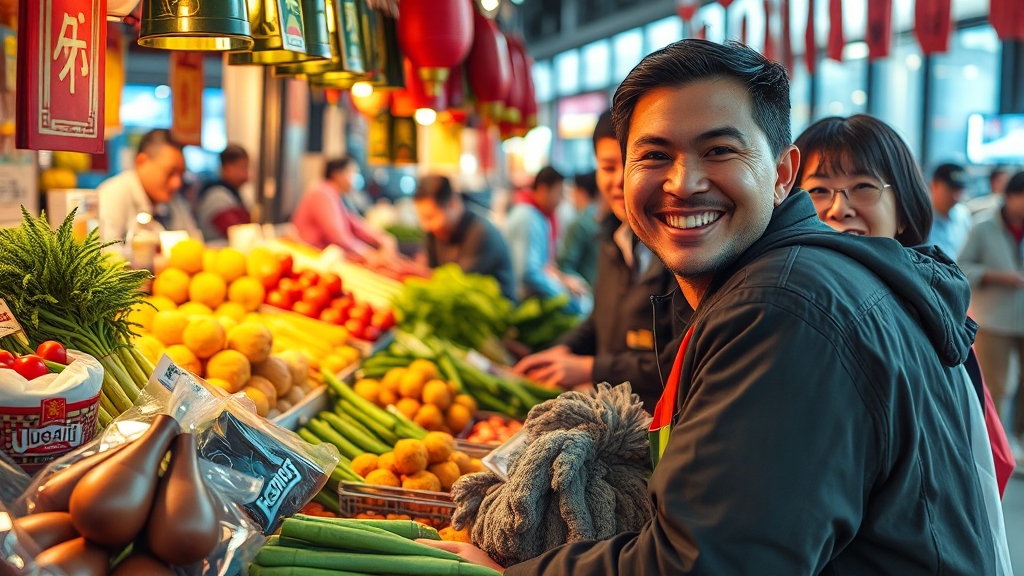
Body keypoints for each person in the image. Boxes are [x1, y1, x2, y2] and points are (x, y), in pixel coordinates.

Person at [424, 39, 998, 575]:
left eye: (719, 150)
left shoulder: (781, 308)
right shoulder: (774, 281)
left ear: (781, 174)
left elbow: (709, 561)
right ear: (620, 174)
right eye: (654, 155)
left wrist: (510, 571)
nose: (683, 182)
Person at [794, 115, 1014, 556]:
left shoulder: (922, 318)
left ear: (902, 211)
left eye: (863, 187)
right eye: (818, 190)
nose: (839, 208)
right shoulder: (794, 306)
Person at [513, 111, 691, 409]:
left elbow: (681, 360)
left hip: (660, 428)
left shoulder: (684, 249)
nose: (620, 180)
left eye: (636, 163)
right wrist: (563, 349)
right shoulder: (611, 239)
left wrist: (590, 368)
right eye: (608, 167)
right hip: (614, 418)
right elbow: (600, 320)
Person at [959, 172, 1024, 448]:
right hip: (993, 319)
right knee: (994, 388)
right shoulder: (983, 226)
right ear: (1009, 196)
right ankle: (992, 446)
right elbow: (961, 266)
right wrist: (996, 276)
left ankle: (1018, 440)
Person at [413, 174, 516, 302]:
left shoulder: (481, 233)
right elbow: (431, 273)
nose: (426, 225)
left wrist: (411, 272)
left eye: (431, 217)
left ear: (452, 204)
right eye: (422, 218)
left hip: (497, 312)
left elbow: (456, 287)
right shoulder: (433, 232)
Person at [504, 167, 587, 309]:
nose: (561, 201)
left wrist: (562, 279)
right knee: (581, 307)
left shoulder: (534, 215)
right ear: (543, 189)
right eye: (559, 193)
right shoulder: (527, 217)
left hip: (525, 300)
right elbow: (529, 274)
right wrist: (565, 297)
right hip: (517, 305)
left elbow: (541, 267)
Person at [97, 128, 196, 244]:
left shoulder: (175, 202)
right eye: (170, 172)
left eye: (181, 174)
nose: (177, 183)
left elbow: (193, 243)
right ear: (141, 161)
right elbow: (105, 254)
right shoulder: (113, 194)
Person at [291, 156, 395, 260]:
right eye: (353, 173)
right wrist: (368, 254)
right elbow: (337, 236)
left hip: (321, 257)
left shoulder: (335, 195)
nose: (355, 178)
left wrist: (382, 238)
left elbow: (354, 224)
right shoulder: (322, 193)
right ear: (337, 174)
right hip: (310, 257)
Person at [195, 144, 251, 242]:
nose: (247, 175)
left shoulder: (231, 192)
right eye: (243, 168)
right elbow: (239, 235)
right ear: (228, 168)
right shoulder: (217, 196)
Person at [556, 172, 600, 286]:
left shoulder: (579, 224)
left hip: (584, 293)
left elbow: (565, 266)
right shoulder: (603, 218)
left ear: (580, 192)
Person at [926, 162, 972, 258]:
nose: (955, 197)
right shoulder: (920, 217)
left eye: (959, 191)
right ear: (934, 185)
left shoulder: (963, 215)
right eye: (950, 189)